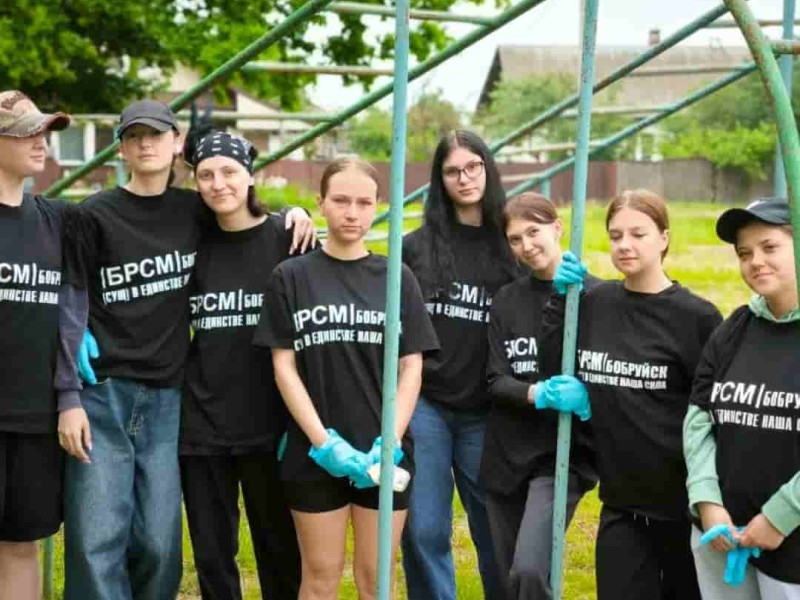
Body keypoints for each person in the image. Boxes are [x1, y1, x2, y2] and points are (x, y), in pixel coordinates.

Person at [59, 100, 314, 600]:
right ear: (121, 148)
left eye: (156, 134)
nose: (145, 144)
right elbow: (68, 292)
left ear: (177, 143)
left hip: (168, 394)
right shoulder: (94, 215)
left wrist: (294, 213)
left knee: (160, 545)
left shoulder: (194, 211)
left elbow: (246, 215)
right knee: (98, 537)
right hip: (107, 392)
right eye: (134, 137)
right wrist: (68, 381)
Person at [254, 157, 439, 600]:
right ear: (320, 203)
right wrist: (323, 443)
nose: (352, 213)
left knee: (377, 579)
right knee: (320, 578)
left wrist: (390, 440)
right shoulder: (291, 276)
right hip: (313, 452)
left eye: (363, 202)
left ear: (378, 206)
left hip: (384, 450)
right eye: (340, 200)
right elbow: (284, 366)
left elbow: (411, 365)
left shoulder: (396, 277)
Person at [541, 189, 722, 600]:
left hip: (683, 509)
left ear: (664, 238)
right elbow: (553, 365)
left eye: (638, 234)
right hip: (621, 504)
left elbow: (714, 413)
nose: (624, 244)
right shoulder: (596, 302)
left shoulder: (696, 317)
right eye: (615, 235)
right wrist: (559, 302)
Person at [180, 131, 303, 600]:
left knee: (279, 548)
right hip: (202, 422)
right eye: (206, 174)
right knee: (212, 554)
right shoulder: (191, 242)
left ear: (250, 175)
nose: (218, 184)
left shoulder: (287, 238)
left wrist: (298, 212)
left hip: (271, 422)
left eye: (229, 172)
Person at [400, 130, 520, 600]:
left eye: (473, 167)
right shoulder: (415, 247)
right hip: (426, 402)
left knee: (492, 524)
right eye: (453, 171)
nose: (465, 178)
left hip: (487, 406)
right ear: (440, 180)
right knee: (424, 528)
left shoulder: (510, 244)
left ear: (487, 169)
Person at [481, 192, 597, 600]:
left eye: (534, 231)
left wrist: (588, 401)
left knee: (530, 570)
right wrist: (537, 393)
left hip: (560, 455)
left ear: (558, 227)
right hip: (506, 455)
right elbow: (495, 380)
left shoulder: (595, 296)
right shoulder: (507, 300)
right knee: (505, 583)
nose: (527, 245)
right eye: (515, 239)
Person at [684, 197, 800, 598]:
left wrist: (781, 515)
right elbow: (699, 419)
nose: (755, 262)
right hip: (722, 535)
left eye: (769, 247)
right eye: (744, 253)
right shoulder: (735, 328)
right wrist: (706, 500)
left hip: (791, 547)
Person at [0, 90, 80, 600]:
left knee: (21, 545)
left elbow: (152, 222)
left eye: (44, 132)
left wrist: (282, 217)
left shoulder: (57, 219)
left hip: (34, 418)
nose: (41, 142)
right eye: (26, 132)